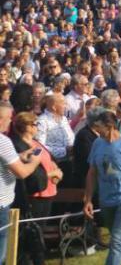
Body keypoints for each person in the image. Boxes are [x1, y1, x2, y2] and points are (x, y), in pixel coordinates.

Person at [83, 110, 121, 265]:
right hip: (106, 200)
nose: (96, 130)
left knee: (116, 242)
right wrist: (88, 199)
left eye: (99, 127)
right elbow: (92, 173)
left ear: (109, 126)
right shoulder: (97, 144)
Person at [11, 111, 62, 265]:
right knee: (32, 233)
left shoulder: (36, 143)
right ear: (25, 126)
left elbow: (49, 160)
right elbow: (28, 174)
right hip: (34, 196)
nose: (37, 127)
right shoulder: (18, 145)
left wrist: (56, 171)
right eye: (34, 124)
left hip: (48, 192)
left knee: (39, 231)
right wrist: (50, 174)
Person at [0, 101, 42, 263]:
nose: (11, 122)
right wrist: (35, 161)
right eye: (9, 118)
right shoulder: (3, 141)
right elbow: (22, 172)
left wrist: (20, 156)